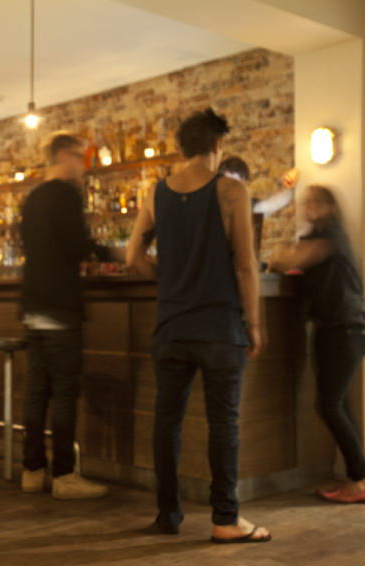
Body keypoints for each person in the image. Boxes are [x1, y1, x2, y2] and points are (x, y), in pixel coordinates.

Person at [126, 108, 271, 543]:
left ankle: (167, 515)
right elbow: (246, 264)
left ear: (181, 149)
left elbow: (132, 257)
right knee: (223, 423)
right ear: (217, 146)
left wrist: (171, 282)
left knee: (166, 421)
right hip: (220, 328)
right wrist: (255, 324)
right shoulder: (231, 190)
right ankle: (225, 519)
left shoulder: (156, 193)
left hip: (172, 327)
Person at [268, 185, 365, 503]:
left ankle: (362, 479)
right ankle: (360, 478)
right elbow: (285, 261)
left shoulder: (330, 235)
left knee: (330, 405)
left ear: (331, 207)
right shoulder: (321, 236)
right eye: (307, 202)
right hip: (336, 331)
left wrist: (282, 246)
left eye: (317, 202)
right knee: (337, 404)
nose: (310, 207)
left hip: (345, 331)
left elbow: (283, 260)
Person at [20, 132, 109, 500]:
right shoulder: (66, 195)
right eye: (79, 156)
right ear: (61, 155)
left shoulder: (33, 198)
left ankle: (32, 471)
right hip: (59, 308)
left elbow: (28, 244)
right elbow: (75, 246)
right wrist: (109, 254)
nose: (83, 165)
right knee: (64, 393)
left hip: (32, 307)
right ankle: (64, 476)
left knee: (36, 394)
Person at [217, 156, 299, 216]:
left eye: (237, 186)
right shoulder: (211, 206)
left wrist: (289, 185)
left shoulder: (246, 208)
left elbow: (273, 204)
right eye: (227, 184)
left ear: (245, 185)